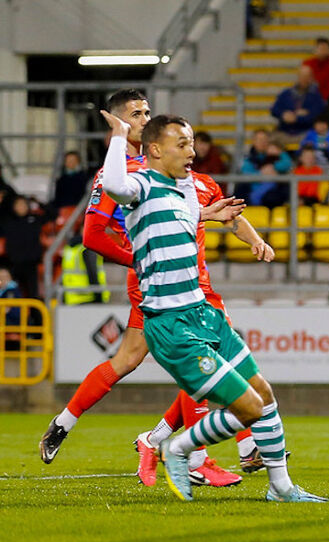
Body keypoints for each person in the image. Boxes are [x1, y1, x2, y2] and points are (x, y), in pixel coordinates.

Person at [39, 90, 274, 489]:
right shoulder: (125, 175)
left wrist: (253, 238)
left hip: (193, 282)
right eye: (135, 113)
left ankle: (79, 425)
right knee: (205, 357)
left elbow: (219, 213)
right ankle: (204, 450)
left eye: (148, 111)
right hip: (162, 285)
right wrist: (145, 258)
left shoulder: (185, 174)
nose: (144, 117)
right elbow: (94, 235)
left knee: (129, 360)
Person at [95, 111, 327, 503]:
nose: (192, 151)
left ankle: (281, 487)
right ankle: (177, 448)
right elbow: (116, 185)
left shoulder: (181, 189)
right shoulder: (140, 184)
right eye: (181, 144)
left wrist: (209, 214)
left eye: (192, 143)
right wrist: (120, 135)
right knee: (250, 408)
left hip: (205, 314)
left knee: (264, 394)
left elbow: (181, 216)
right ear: (154, 149)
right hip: (171, 326)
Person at [269, 66, 326, 141]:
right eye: (302, 76)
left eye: (307, 77)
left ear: (311, 78)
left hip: (306, 132)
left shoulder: (316, 96)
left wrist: (298, 118)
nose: (304, 79)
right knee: (270, 140)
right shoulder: (286, 93)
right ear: (298, 76)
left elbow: (318, 114)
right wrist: (283, 114)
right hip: (284, 131)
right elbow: (274, 109)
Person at [3, 196, 44, 299]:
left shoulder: (34, 219)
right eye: (18, 204)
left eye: (23, 204)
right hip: (14, 264)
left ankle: (35, 315)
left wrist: (38, 201)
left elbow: (52, 214)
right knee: (12, 292)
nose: (21, 207)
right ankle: (13, 314)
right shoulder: (8, 221)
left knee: (33, 294)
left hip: (31, 264)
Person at [61, 231, 109, 305]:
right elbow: (92, 274)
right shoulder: (87, 248)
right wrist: (99, 296)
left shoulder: (70, 248)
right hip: (89, 298)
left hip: (72, 298)